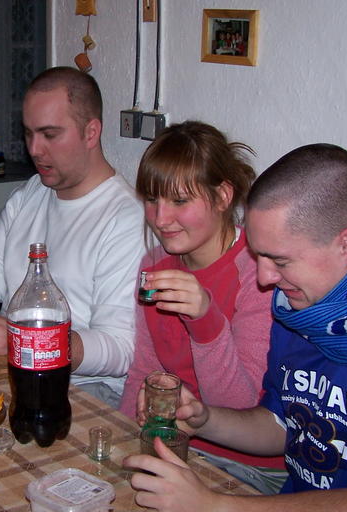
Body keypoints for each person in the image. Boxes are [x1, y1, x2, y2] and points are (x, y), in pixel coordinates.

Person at [124, 144, 347, 511]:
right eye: (259, 256)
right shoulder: (301, 306)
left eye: (279, 261)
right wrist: (204, 420)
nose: (265, 278)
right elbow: (281, 425)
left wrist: (214, 505)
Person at [0, 66, 145, 407]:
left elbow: (120, 349)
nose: (34, 149)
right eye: (29, 133)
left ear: (91, 132)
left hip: (83, 387)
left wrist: (24, 341)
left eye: (50, 135)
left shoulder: (127, 218)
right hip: (14, 368)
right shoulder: (31, 192)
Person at [119, 121, 284, 494]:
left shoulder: (260, 273)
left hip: (248, 467)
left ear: (222, 196)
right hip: (177, 448)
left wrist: (206, 321)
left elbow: (241, 406)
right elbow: (144, 370)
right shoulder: (155, 265)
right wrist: (125, 437)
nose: (161, 219)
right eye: (152, 200)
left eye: (179, 201)